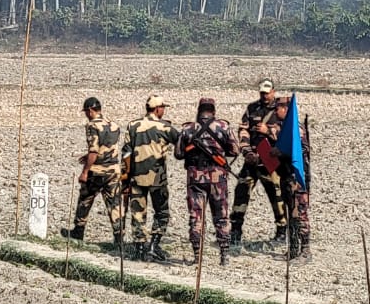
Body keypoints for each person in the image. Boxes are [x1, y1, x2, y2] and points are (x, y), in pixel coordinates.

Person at [174, 97, 241, 265]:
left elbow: (178, 153)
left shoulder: (188, 129)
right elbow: (235, 150)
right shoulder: (223, 127)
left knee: (196, 216)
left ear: (199, 110)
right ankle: (224, 255)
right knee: (221, 216)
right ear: (213, 111)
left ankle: (197, 256)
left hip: (195, 176)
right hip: (217, 177)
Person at [123, 95, 180, 261]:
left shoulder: (133, 125)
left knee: (138, 214)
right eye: (163, 107)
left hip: (136, 177)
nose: (163, 110)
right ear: (157, 109)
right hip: (157, 178)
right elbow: (181, 142)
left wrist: (125, 175)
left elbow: (126, 152)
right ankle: (154, 246)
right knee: (162, 212)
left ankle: (139, 249)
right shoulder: (165, 127)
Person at [230, 78, 286, 247]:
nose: (264, 95)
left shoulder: (281, 110)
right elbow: (244, 129)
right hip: (252, 159)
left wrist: (268, 131)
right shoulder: (252, 108)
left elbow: (287, 133)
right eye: (262, 92)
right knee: (241, 192)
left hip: (271, 160)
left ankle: (282, 231)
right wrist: (246, 150)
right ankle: (235, 231)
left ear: (273, 91)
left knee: (276, 196)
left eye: (267, 92)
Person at [60, 96, 124, 244]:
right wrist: (88, 156)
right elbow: (106, 147)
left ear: (90, 110)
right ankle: (119, 238)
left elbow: (94, 150)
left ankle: (78, 231)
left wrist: (85, 171)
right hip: (113, 169)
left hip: (97, 170)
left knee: (85, 199)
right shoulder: (113, 125)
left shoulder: (92, 126)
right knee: (114, 203)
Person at [270, 97, 311, 258]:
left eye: (278, 107)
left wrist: (280, 152)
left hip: (297, 179)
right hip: (286, 177)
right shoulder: (283, 128)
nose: (275, 111)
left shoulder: (296, 129)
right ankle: (293, 248)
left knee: (300, 213)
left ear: (286, 109)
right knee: (290, 214)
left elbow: (298, 150)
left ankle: (305, 249)